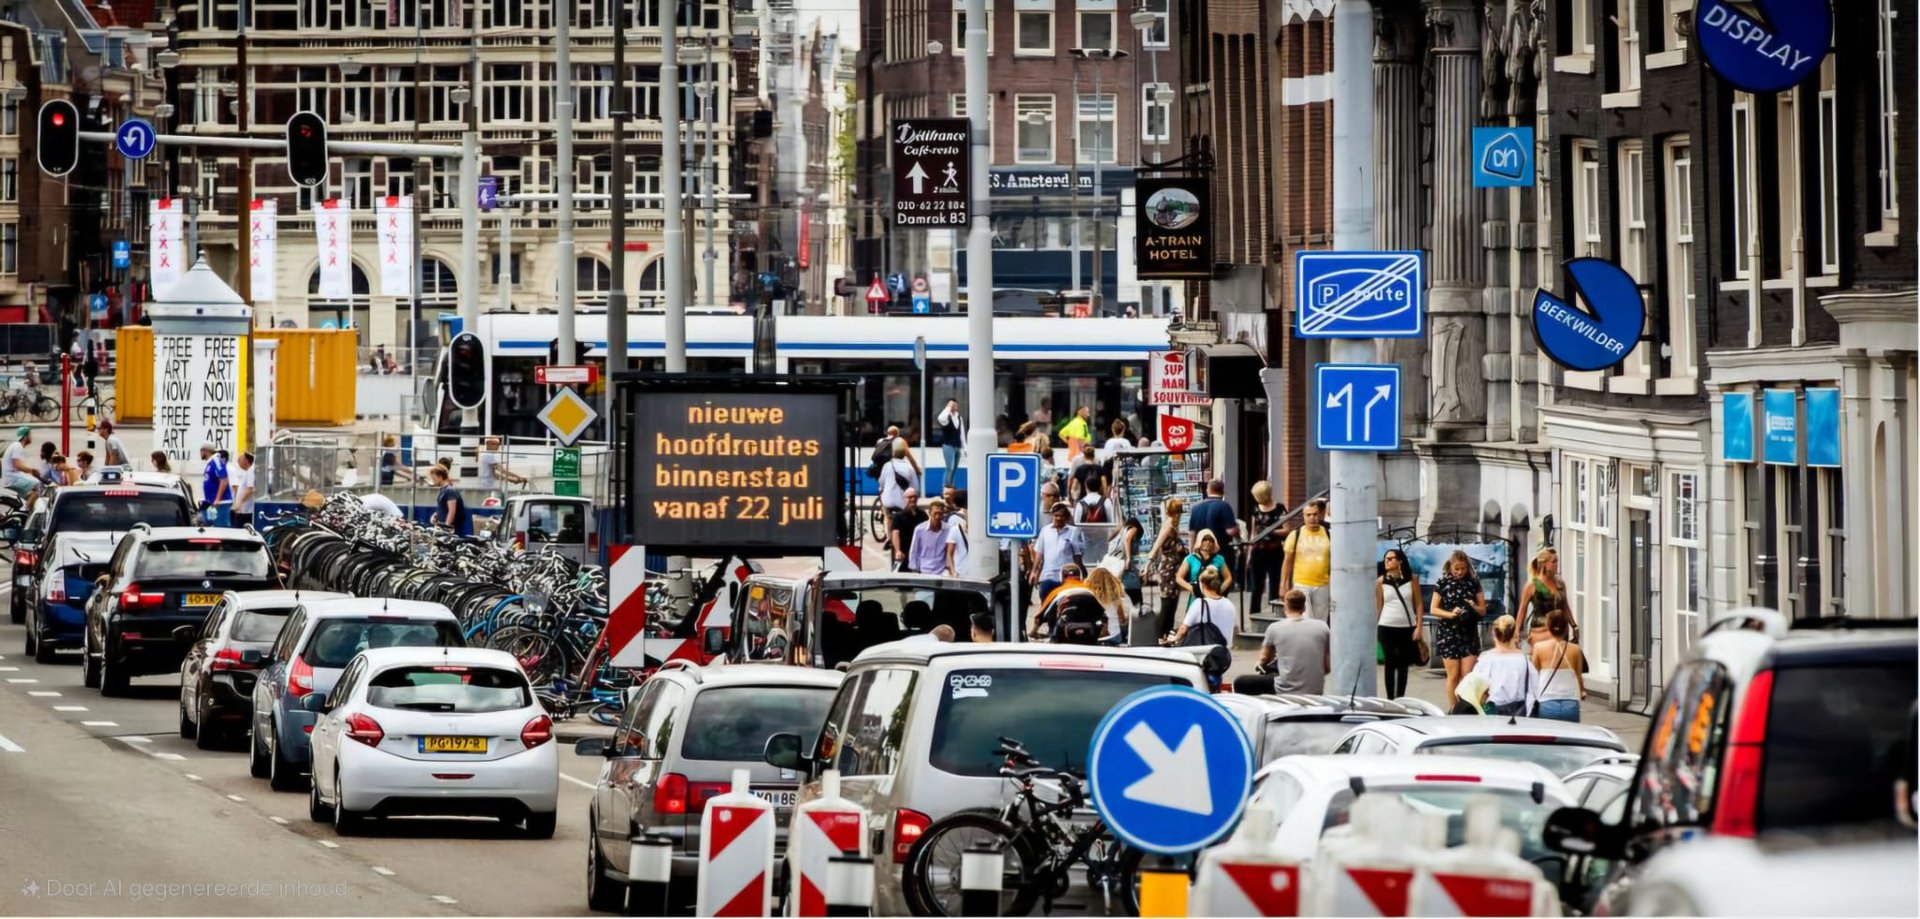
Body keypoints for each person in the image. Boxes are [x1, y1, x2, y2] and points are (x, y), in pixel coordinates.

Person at [1239, 589, 1331, 695]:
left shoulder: (1275, 628)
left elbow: (1264, 658)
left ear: (1285, 607)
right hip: (1315, 690)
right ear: (1304, 608)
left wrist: (1259, 663)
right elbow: (1327, 668)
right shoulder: (1322, 627)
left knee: (1241, 682)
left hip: (1284, 689)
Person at [1431, 549, 1488, 707]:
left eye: (1463, 568)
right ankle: (1453, 709)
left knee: (1467, 676)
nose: (1460, 572)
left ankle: (1467, 708)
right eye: (1456, 569)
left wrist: (1473, 606)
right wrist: (1451, 614)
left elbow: (1483, 610)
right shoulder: (1443, 583)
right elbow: (1434, 609)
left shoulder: (1473, 583)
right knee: (1453, 676)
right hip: (1448, 633)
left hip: (1468, 633)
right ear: (1450, 567)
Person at [1165, 566, 1236, 690]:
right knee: (1215, 685)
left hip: (1204, 654)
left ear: (1202, 584)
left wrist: (1174, 639)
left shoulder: (1199, 604)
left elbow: (1183, 629)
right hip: (1221, 655)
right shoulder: (1229, 604)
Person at [1375, 547, 1426, 699]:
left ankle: (1401, 697)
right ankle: (1390, 698)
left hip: (1407, 626)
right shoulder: (1381, 581)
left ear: (1400, 560)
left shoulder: (1412, 580)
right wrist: (1374, 627)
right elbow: (1379, 605)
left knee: (1403, 663)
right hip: (1386, 625)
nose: (1387, 561)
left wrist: (1419, 626)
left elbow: (1418, 604)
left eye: (1390, 558)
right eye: (1385, 559)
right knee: (1390, 662)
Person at [1471, 616, 1537, 716]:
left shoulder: (1486, 659)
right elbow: (1534, 688)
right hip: (1520, 710)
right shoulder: (1524, 659)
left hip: (1492, 710)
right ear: (1514, 634)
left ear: (1494, 634)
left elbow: (1474, 689)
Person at [1280, 498, 1332, 621]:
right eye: (1308, 515)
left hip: (1323, 584)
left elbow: (1334, 561)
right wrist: (1283, 585)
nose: (1312, 518)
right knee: (1305, 619)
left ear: (1319, 515)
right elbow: (1287, 562)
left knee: (1321, 621)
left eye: (1315, 514)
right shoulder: (1295, 535)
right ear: (1303, 516)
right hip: (1302, 584)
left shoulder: (1328, 534)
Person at [1530, 609, 1587, 722]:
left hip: (1546, 701)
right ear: (1566, 628)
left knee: (1548, 736)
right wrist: (1582, 691)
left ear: (1548, 627)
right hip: (1570, 703)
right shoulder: (1575, 650)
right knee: (1570, 737)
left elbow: (1533, 675)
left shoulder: (1539, 648)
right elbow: (1578, 676)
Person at [1146, 497, 1190, 640]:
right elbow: (1157, 546)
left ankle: (1166, 633)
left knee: (1172, 602)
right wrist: (1148, 563)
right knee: (1167, 602)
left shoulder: (1173, 525)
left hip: (1174, 568)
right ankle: (1158, 634)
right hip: (1168, 569)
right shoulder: (1169, 525)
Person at [1029, 501, 1085, 606]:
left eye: (1061, 516)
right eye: (1056, 515)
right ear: (1052, 516)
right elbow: (1039, 554)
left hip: (1067, 576)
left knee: (1066, 604)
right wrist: (1034, 572)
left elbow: (1077, 555)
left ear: (1066, 517)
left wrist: (1081, 573)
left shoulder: (1073, 531)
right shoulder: (1045, 531)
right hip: (1047, 575)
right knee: (1046, 602)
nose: (1058, 518)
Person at [1245, 481, 1287, 611]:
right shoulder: (1255, 509)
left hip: (1274, 550)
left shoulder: (1279, 508)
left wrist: (1271, 531)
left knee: (1274, 583)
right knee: (1256, 586)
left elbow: (1286, 529)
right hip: (1258, 551)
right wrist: (1249, 554)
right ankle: (1254, 613)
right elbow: (1253, 532)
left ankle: (1274, 612)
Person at [1519, 547, 1573, 647]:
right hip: (1541, 631)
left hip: (1560, 630)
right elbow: (1522, 610)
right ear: (1544, 564)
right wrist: (1516, 632)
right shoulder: (1533, 585)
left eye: (1557, 561)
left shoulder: (1560, 584)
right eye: (1553, 562)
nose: (1556, 565)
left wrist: (1574, 625)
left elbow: (1565, 606)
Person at [1177, 529, 1233, 606]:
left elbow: (1228, 578)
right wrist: (1192, 589)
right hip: (1196, 598)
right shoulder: (1190, 559)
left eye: (1210, 540)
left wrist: (1219, 590)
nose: (1208, 543)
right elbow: (1179, 577)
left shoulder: (1219, 559)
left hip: (1213, 598)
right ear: (1200, 541)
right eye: (1205, 540)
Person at [908, 497, 962, 576]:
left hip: (942, 570)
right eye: (935, 513)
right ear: (930, 513)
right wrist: (914, 568)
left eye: (940, 514)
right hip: (924, 569)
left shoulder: (948, 529)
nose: (937, 517)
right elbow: (914, 550)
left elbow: (950, 550)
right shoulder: (920, 529)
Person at [1083, 566, 1133, 646]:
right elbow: (1125, 617)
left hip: (1093, 635)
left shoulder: (1086, 597)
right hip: (1114, 634)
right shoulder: (1118, 598)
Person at [1186, 478, 1240, 547]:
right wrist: (1238, 531)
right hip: (1221, 552)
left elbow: (1192, 533)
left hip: (1201, 552)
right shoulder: (1224, 506)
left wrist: (1192, 553)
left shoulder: (1195, 508)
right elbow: (1231, 531)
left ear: (1208, 490)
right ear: (1223, 491)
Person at [888, 489, 928, 572]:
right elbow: (895, 533)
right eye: (910, 497)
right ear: (904, 499)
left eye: (914, 497)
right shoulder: (898, 516)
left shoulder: (923, 515)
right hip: (903, 553)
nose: (912, 499)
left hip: (918, 554)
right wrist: (898, 550)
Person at [879, 440, 920, 512]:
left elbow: (881, 483)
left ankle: (886, 519)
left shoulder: (887, 465)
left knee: (886, 512)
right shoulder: (909, 468)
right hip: (903, 504)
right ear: (904, 455)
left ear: (893, 454)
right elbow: (915, 487)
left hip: (888, 502)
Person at [428, 465, 469, 535]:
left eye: (434, 478)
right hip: (441, 527)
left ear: (440, 477)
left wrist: (446, 528)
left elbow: (451, 511)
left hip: (449, 530)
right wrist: (435, 516)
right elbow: (443, 508)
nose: (433, 481)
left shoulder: (450, 491)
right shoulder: (443, 490)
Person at [199, 442, 231, 525]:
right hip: (212, 502)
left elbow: (224, 479)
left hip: (220, 503)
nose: (200, 453)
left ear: (206, 451)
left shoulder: (216, 461)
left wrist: (218, 499)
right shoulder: (210, 463)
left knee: (221, 528)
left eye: (201, 451)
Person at [935, 398, 965, 483]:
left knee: (955, 469)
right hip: (948, 445)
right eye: (951, 404)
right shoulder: (946, 418)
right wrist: (948, 407)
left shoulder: (959, 417)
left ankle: (951, 487)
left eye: (954, 404)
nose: (953, 406)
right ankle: (946, 488)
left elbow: (962, 433)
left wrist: (965, 448)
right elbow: (941, 418)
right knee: (949, 468)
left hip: (957, 446)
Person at [2, 426, 37, 496]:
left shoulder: (15, 446)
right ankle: (26, 507)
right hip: (13, 479)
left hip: (11, 478)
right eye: (29, 435)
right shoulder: (17, 446)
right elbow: (18, 466)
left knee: (29, 494)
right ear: (25, 437)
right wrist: (32, 471)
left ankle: (26, 505)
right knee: (38, 485)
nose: (31, 437)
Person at [231, 452, 257, 527]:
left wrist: (240, 503)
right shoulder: (248, 471)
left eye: (241, 458)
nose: (238, 460)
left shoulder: (251, 471)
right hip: (244, 509)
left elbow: (250, 489)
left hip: (246, 510)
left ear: (246, 460)